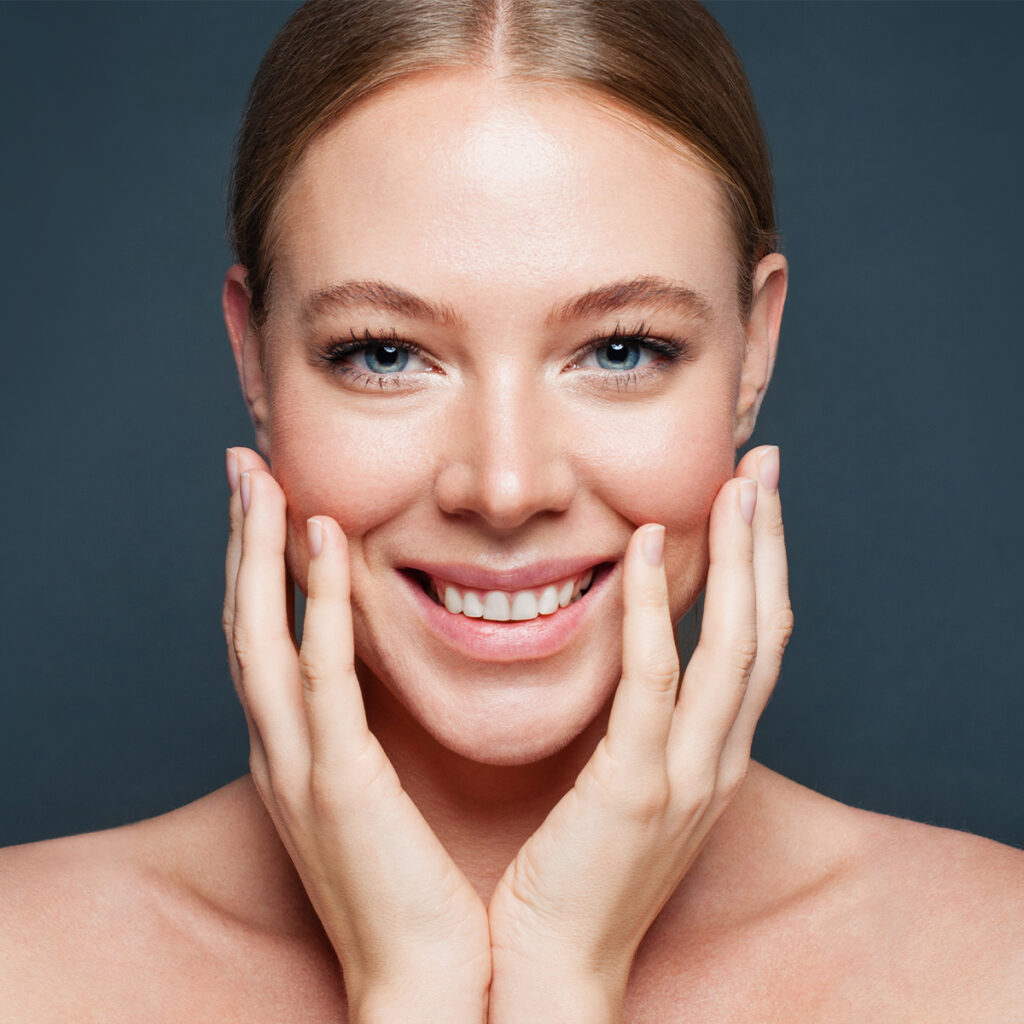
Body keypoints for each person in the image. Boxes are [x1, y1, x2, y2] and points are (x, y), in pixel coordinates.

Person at [2, 1, 1022, 1020]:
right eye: (384, 353)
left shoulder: (990, 964)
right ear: (253, 362)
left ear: (754, 351)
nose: (502, 488)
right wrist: (411, 989)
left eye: (621, 349)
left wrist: (561, 980)